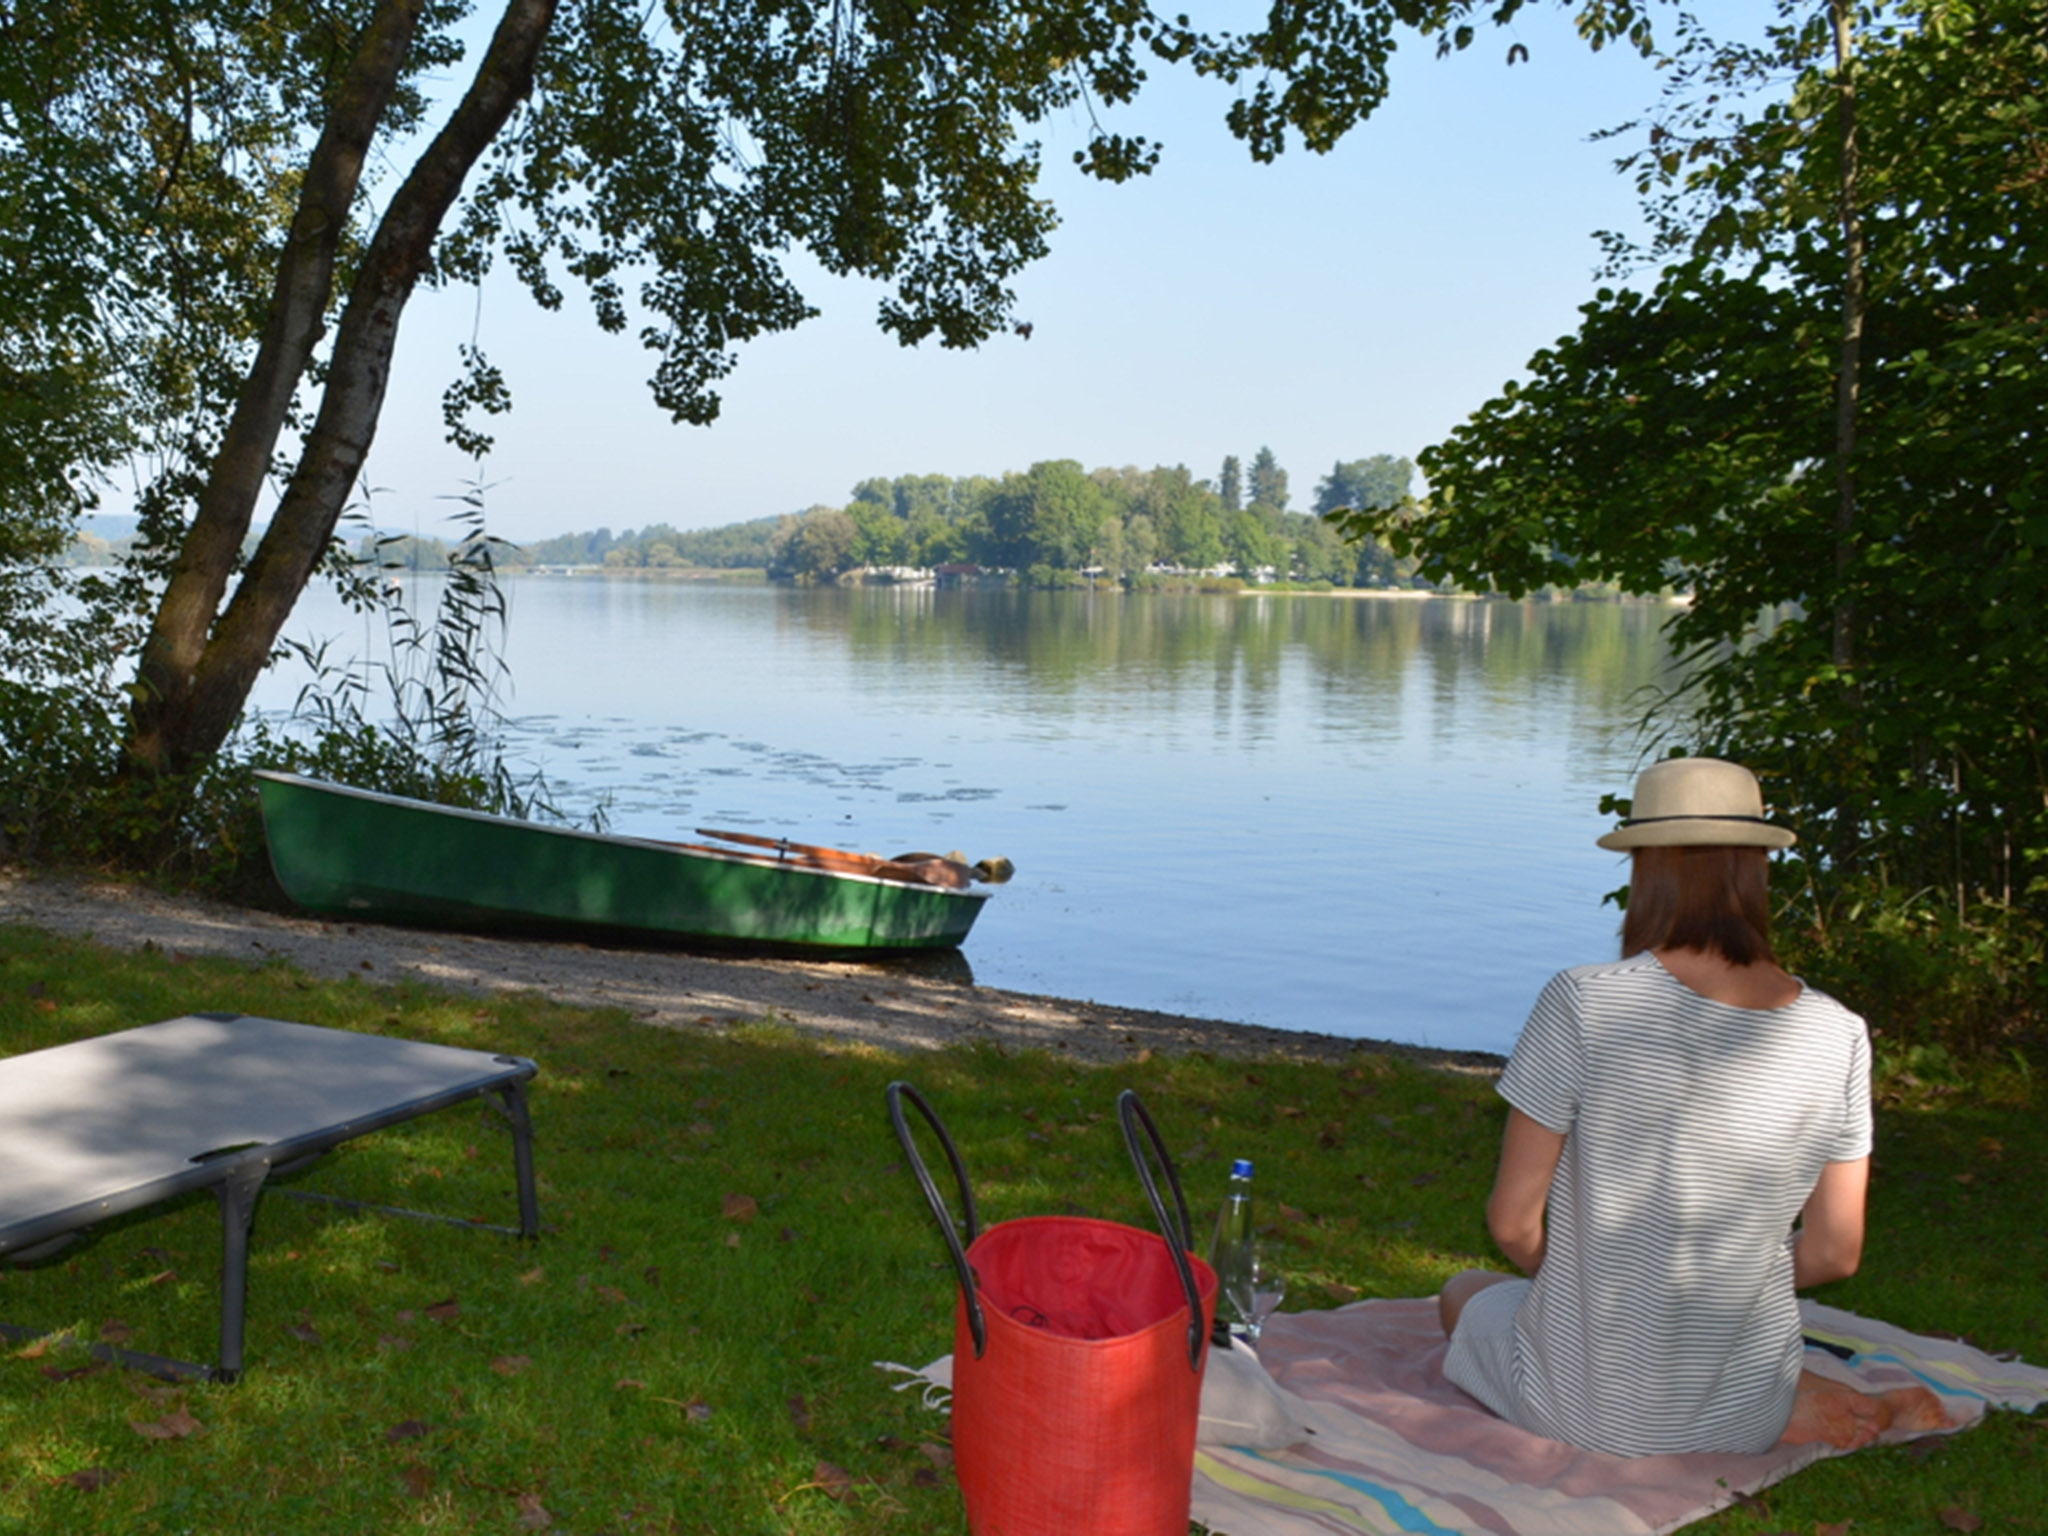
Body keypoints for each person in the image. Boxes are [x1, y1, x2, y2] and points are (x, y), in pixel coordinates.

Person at [1437, 757, 1947, 1456]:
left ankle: (1769, 1392)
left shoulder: (1586, 1001)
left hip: (1588, 1415)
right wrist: (1717, 1287)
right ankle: (1794, 1394)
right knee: (1714, 1341)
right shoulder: (1839, 1033)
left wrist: (1597, 1287)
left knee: (1465, 1291)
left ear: (1647, 868)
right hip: (1744, 1419)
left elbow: (1512, 1223)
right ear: (1758, 869)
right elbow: (1835, 1253)